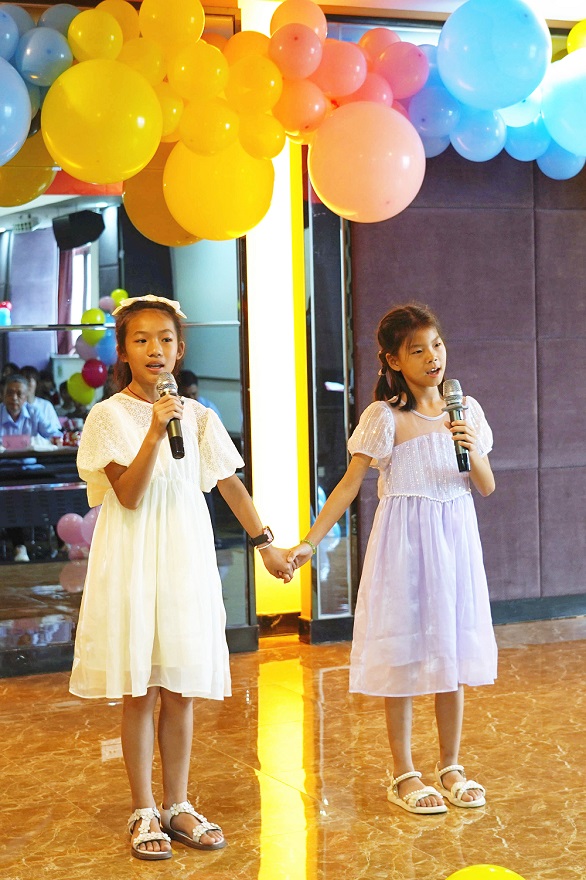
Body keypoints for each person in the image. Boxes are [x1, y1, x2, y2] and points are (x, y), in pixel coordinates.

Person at [69, 293, 294, 861]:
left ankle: (177, 803)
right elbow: (129, 494)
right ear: (123, 351)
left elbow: (229, 484)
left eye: (165, 339)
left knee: (180, 688)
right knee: (141, 689)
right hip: (133, 561)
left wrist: (266, 545)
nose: (155, 349)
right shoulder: (107, 417)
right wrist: (152, 431)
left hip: (184, 559)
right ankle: (143, 808)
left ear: (180, 349)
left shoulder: (199, 417)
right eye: (141, 339)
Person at [288, 303, 497, 815]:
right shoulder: (385, 417)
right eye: (417, 350)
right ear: (393, 360)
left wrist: (471, 446)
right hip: (404, 545)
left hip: (455, 543)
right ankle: (404, 772)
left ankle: (451, 765)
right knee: (403, 652)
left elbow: (486, 486)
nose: (432, 357)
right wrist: (309, 543)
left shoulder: (465, 410)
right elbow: (347, 485)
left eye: (437, 345)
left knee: (451, 651)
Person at [20, 366, 62, 436]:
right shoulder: (15, 405)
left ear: (36, 383)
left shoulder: (46, 405)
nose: (25, 384)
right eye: (22, 380)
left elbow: (56, 431)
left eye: (29, 380)